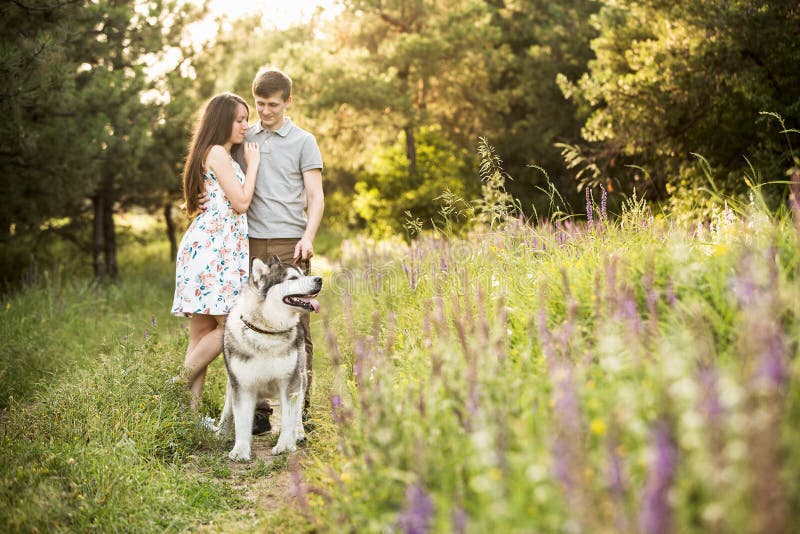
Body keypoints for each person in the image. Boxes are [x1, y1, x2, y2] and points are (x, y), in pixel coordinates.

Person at [233, 67, 324, 431]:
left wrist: (308, 235)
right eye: (259, 104)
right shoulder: (244, 138)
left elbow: (316, 197)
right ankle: (257, 413)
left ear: (288, 101)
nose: (265, 111)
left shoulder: (304, 141)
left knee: (297, 327)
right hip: (250, 242)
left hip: (291, 243)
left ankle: (298, 410)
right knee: (252, 323)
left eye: (272, 104)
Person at [171, 92, 260, 412]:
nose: (245, 126)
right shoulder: (220, 155)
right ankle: (174, 387)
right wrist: (253, 166)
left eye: (246, 119)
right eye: (239, 119)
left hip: (211, 250)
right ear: (222, 120)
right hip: (214, 252)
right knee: (231, 328)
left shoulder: (213, 153)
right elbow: (240, 203)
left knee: (201, 335)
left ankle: (187, 418)